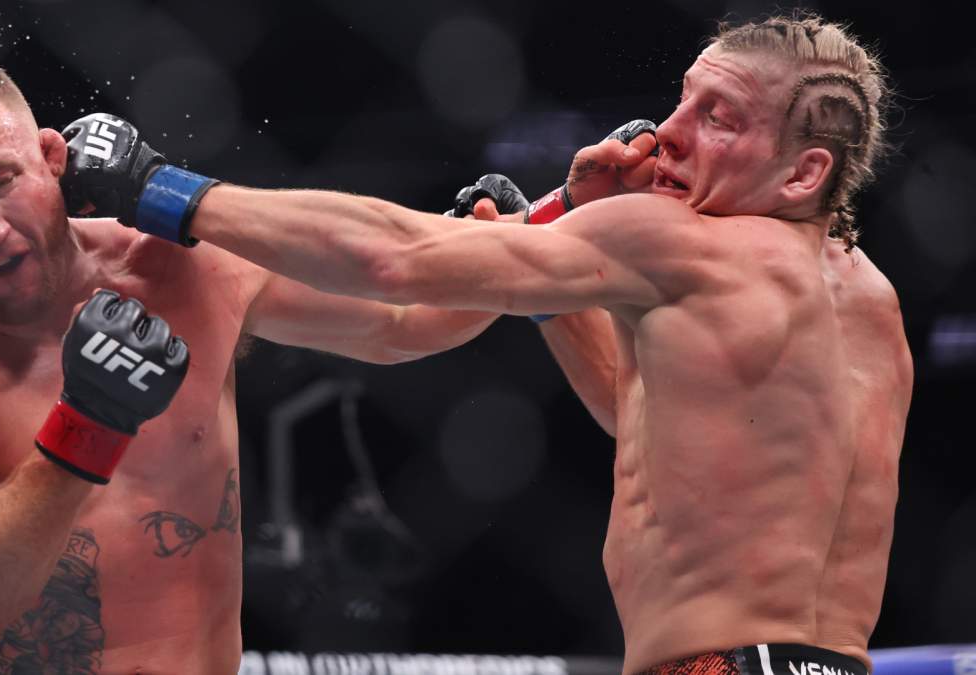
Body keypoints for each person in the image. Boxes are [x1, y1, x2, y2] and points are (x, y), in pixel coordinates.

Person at [63, 13, 913, 675]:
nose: (670, 131)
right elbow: (653, 429)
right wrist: (559, 264)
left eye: (718, 118)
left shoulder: (680, 241)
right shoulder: (873, 302)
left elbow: (399, 259)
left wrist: (158, 187)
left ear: (803, 173)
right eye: (684, 98)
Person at [0, 53, 500, 674]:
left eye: (2, 182)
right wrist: (87, 425)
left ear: (51, 157)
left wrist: (502, 241)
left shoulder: (182, 266)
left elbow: (404, 323)